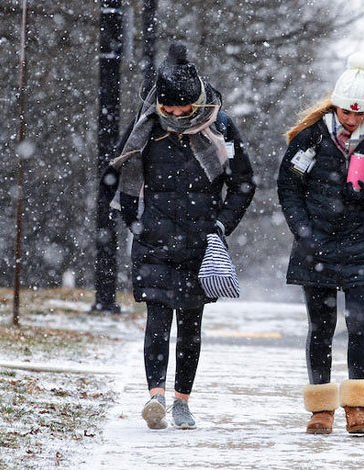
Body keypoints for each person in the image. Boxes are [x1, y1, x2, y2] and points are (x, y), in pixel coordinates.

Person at [100, 43, 255, 429]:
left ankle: (183, 401)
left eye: (178, 108)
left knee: (190, 324)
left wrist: (220, 225)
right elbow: (115, 173)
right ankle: (155, 396)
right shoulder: (145, 125)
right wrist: (133, 222)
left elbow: (243, 183)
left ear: (196, 101)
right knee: (157, 318)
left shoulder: (220, 128)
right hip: (153, 241)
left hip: (200, 243)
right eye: (166, 107)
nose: (171, 114)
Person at [277, 52, 364, 435]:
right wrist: (304, 231)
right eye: (345, 113)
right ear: (335, 106)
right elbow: (289, 187)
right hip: (314, 248)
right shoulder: (312, 137)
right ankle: (321, 409)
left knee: (359, 324)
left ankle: (357, 407)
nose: (351, 121)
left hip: (362, 249)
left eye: (359, 114)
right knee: (320, 326)